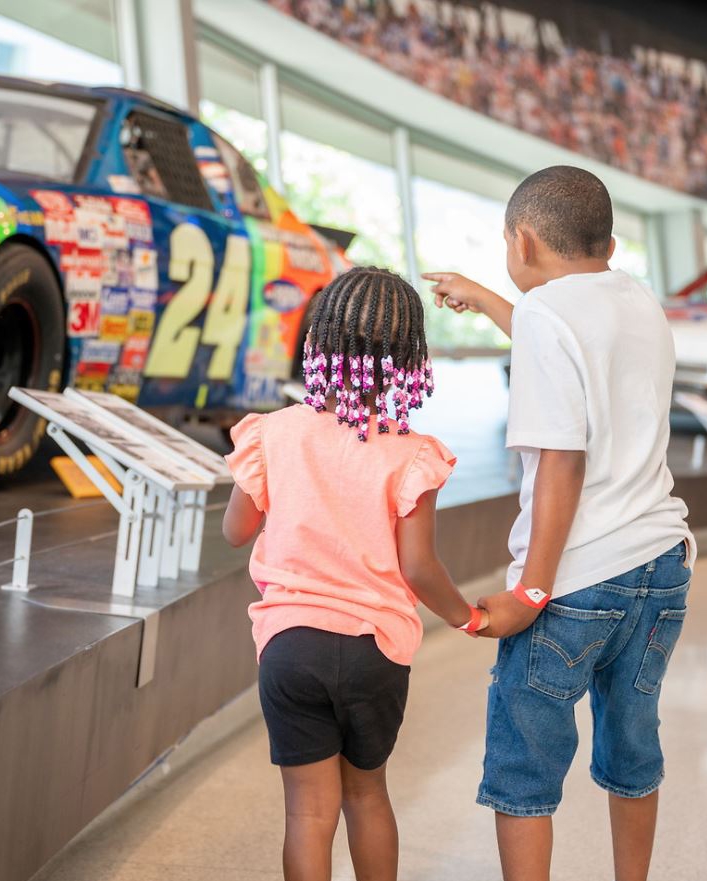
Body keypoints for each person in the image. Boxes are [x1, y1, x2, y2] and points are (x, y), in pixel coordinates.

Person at [425, 165, 694, 881]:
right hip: (659, 565)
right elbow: (570, 349)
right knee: (632, 749)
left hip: (576, 581)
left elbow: (561, 466)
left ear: (522, 239)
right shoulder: (636, 299)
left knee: (523, 766)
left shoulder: (548, 316)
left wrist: (530, 592)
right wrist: (487, 301)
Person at [223, 266, 490, 881]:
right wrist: (468, 617)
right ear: (409, 360)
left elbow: (236, 530)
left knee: (307, 816)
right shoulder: (414, 454)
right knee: (367, 796)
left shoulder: (275, 433)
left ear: (318, 344)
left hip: (290, 645)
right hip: (376, 651)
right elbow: (419, 568)